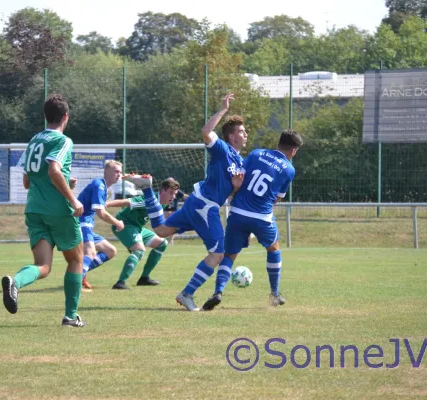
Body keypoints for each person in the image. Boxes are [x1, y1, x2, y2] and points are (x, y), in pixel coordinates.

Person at [124, 93, 246, 311]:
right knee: (218, 254)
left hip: (197, 203)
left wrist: (236, 189)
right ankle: (187, 293)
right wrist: (223, 110)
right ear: (231, 137)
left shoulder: (240, 162)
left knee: (160, 230)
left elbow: (230, 194)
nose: (245, 134)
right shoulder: (223, 149)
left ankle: (146, 188)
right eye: (241, 131)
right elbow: (206, 132)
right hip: (204, 207)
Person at [1, 93, 86, 327]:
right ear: (66, 117)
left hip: (34, 210)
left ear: (45, 116)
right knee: (76, 260)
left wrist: (65, 183)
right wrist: (73, 200)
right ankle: (71, 316)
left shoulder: (34, 140)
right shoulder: (63, 141)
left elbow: (28, 182)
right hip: (58, 211)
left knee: (44, 267)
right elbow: (53, 171)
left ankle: (15, 282)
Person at [202, 129, 303, 311]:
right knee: (274, 248)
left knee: (230, 255)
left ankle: (218, 292)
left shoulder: (256, 154)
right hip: (262, 216)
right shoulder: (289, 169)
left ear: (278, 143)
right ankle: (274, 294)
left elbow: (238, 178)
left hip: (238, 211)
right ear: (293, 151)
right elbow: (277, 198)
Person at [105, 178, 180, 289]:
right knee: (139, 249)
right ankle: (120, 282)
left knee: (162, 243)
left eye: (175, 194)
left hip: (138, 228)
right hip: (124, 224)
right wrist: (106, 204)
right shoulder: (150, 199)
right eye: (171, 193)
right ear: (162, 191)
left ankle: (144, 278)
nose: (173, 197)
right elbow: (127, 202)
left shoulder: (162, 203)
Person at [78, 160, 125, 290]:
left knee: (110, 251)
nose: (119, 174)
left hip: (86, 224)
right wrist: (117, 223)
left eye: (120, 172)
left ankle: (80, 272)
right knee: (90, 252)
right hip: (79, 223)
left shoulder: (103, 188)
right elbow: (101, 213)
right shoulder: (99, 185)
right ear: (106, 172)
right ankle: (76, 281)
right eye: (116, 171)